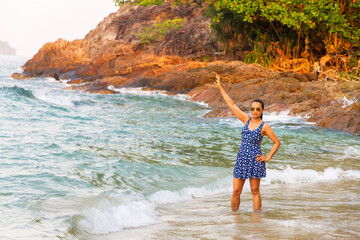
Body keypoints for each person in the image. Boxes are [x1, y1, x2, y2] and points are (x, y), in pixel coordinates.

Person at [215, 74, 281, 211]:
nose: (255, 111)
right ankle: (234, 218)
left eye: (258, 109)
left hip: (256, 159)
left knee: (255, 191)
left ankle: (256, 220)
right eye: (252, 109)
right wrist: (220, 87)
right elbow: (232, 105)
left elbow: (277, 142)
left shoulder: (264, 126)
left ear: (262, 110)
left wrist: (267, 157)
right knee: (236, 191)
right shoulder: (246, 119)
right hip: (241, 158)